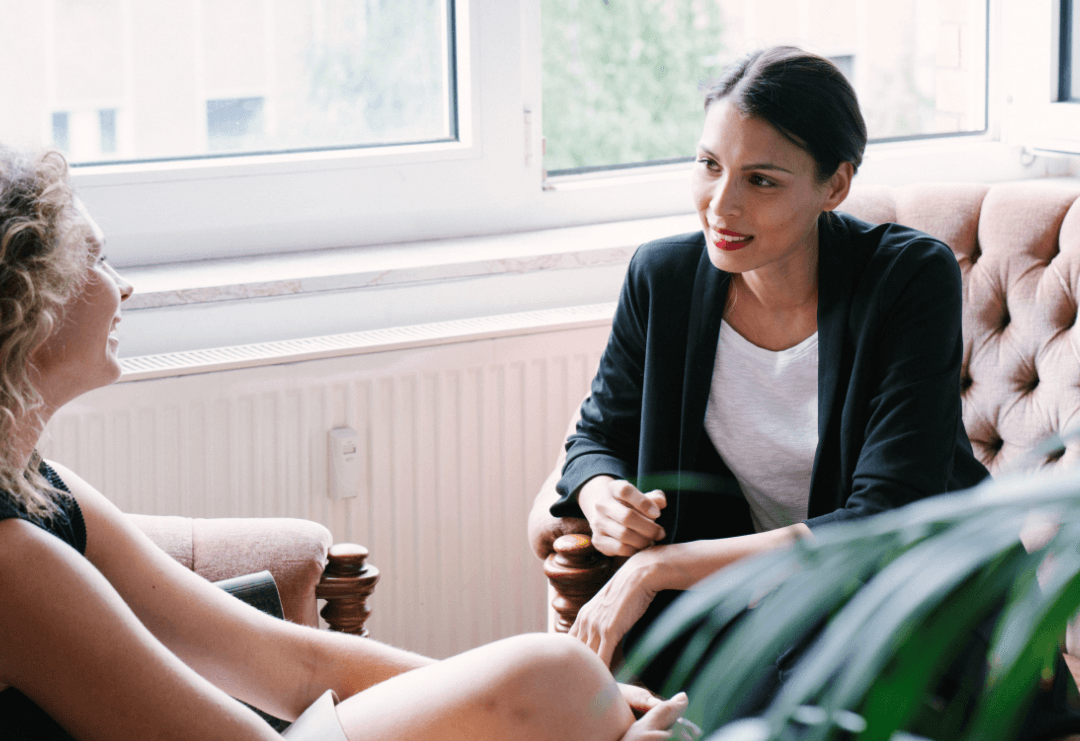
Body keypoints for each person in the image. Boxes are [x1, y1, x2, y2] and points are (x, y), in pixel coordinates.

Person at [0, 147, 690, 741]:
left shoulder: (44, 489)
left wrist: (571, 709)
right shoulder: (11, 562)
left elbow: (291, 665)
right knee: (558, 671)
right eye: (96, 258)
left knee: (561, 678)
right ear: (30, 298)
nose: (125, 284)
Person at [548, 46, 989, 675]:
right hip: (743, 611)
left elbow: (887, 516)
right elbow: (596, 434)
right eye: (708, 165)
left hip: (903, 604)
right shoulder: (662, 278)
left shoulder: (909, 277)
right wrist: (599, 495)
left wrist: (661, 566)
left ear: (834, 185)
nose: (721, 206)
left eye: (761, 180)